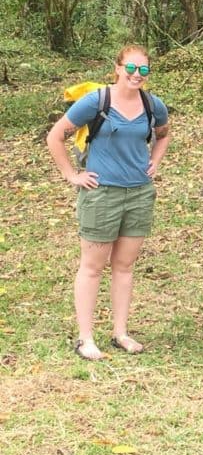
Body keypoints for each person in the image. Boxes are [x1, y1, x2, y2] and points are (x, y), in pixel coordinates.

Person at [47, 45, 171, 360]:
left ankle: (120, 332)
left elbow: (164, 134)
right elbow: (56, 136)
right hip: (102, 193)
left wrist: (156, 159)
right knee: (92, 266)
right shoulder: (96, 101)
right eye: (130, 67)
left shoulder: (153, 105)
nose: (136, 75)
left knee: (125, 266)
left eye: (143, 69)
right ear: (117, 68)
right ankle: (86, 339)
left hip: (139, 193)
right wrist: (71, 175)